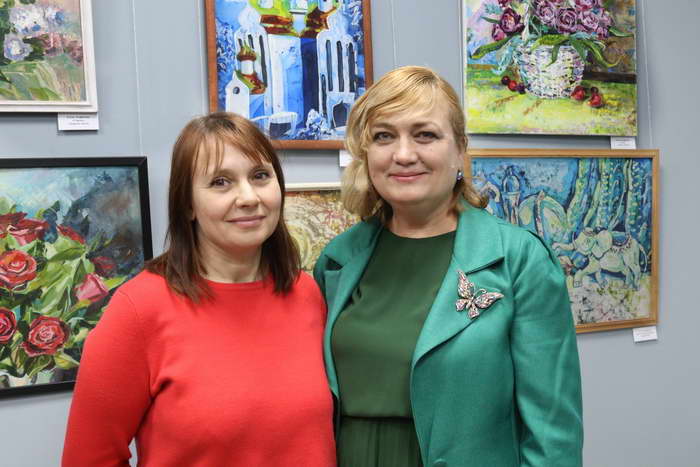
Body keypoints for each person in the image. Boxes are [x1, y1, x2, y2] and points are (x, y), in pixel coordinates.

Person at [313, 66, 583, 467]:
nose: (404, 154)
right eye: (384, 136)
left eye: (425, 135)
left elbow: (553, 433)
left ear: (460, 149)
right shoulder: (338, 259)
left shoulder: (520, 260)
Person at [63, 112, 336, 466]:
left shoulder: (307, 294)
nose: (248, 197)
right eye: (221, 182)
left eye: (260, 176)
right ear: (188, 204)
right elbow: (88, 458)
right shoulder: (140, 309)